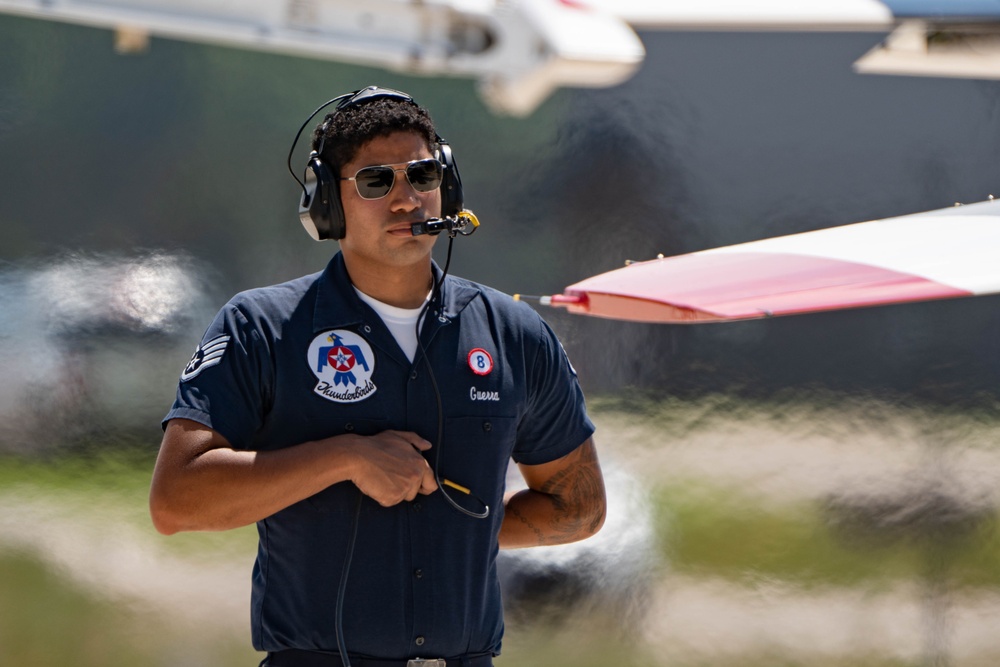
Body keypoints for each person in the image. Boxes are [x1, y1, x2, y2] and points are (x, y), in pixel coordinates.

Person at [149, 85, 606, 667]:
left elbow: (580, 506)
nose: (405, 199)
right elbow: (175, 501)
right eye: (375, 182)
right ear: (326, 205)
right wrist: (344, 457)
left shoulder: (514, 333)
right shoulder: (259, 327)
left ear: (447, 185)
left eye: (420, 175)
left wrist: (453, 532)